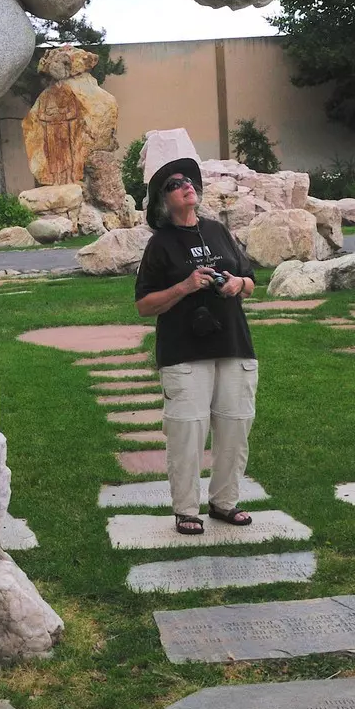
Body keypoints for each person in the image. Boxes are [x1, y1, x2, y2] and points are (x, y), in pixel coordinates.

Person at [133, 152, 258, 534]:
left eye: (188, 181)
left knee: (235, 428)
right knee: (187, 431)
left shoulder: (218, 231)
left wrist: (237, 284)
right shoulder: (160, 244)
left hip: (233, 344)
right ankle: (186, 510)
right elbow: (143, 304)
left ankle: (224, 502)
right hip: (184, 352)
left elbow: (249, 280)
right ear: (162, 201)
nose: (186, 186)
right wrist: (186, 286)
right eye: (174, 185)